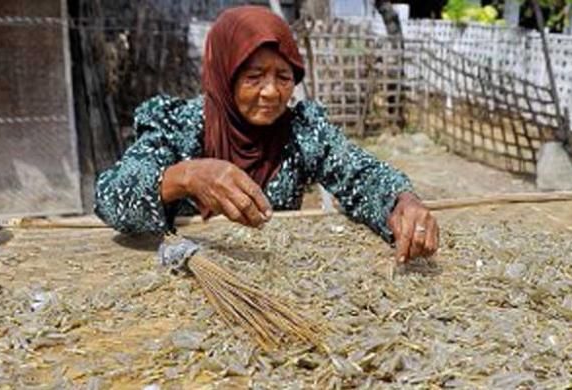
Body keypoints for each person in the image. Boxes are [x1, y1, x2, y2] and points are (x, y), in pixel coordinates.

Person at [94, 6, 438, 262]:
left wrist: (402, 202)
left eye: (284, 78)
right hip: (188, 280)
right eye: (254, 77)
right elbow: (111, 198)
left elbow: (362, 175)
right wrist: (185, 176)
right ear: (223, 76)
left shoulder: (301, 131)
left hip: (273, 277)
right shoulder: (179, 127)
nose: (272, 92)